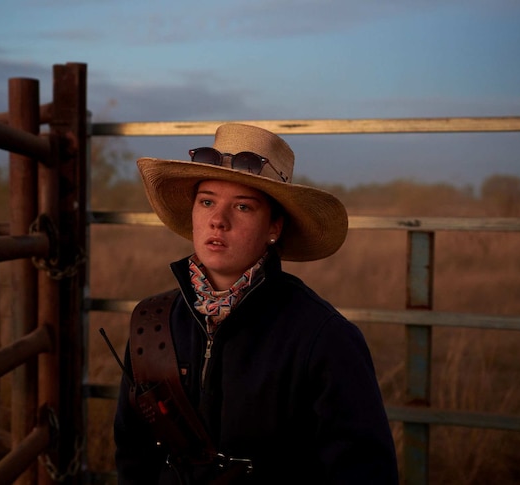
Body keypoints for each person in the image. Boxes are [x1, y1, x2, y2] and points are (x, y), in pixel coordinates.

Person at [113, 123, 398, 484]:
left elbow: (364, 473)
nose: (218, 220)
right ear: (193, 214)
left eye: (243, 207)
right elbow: (133, 455)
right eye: (207, 201)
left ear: (274, 228)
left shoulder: (324, 338)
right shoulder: (153, 323)